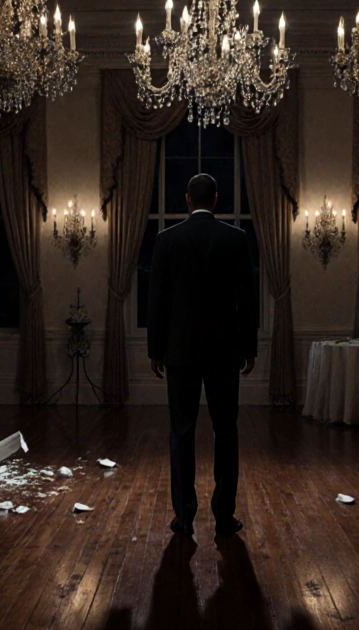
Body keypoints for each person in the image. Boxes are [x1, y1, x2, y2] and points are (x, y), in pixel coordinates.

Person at [147, 173, 258, 537]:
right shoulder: (236, 239)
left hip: (179, 351)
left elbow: (158, 301)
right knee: (226, 432)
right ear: (215, 199)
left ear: (186, 199)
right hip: (224, 351)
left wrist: (155, 349)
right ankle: (224, 516)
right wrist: (248, 347)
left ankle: (185, 517)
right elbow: (247, 299)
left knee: (182, 433)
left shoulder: (166, 240)